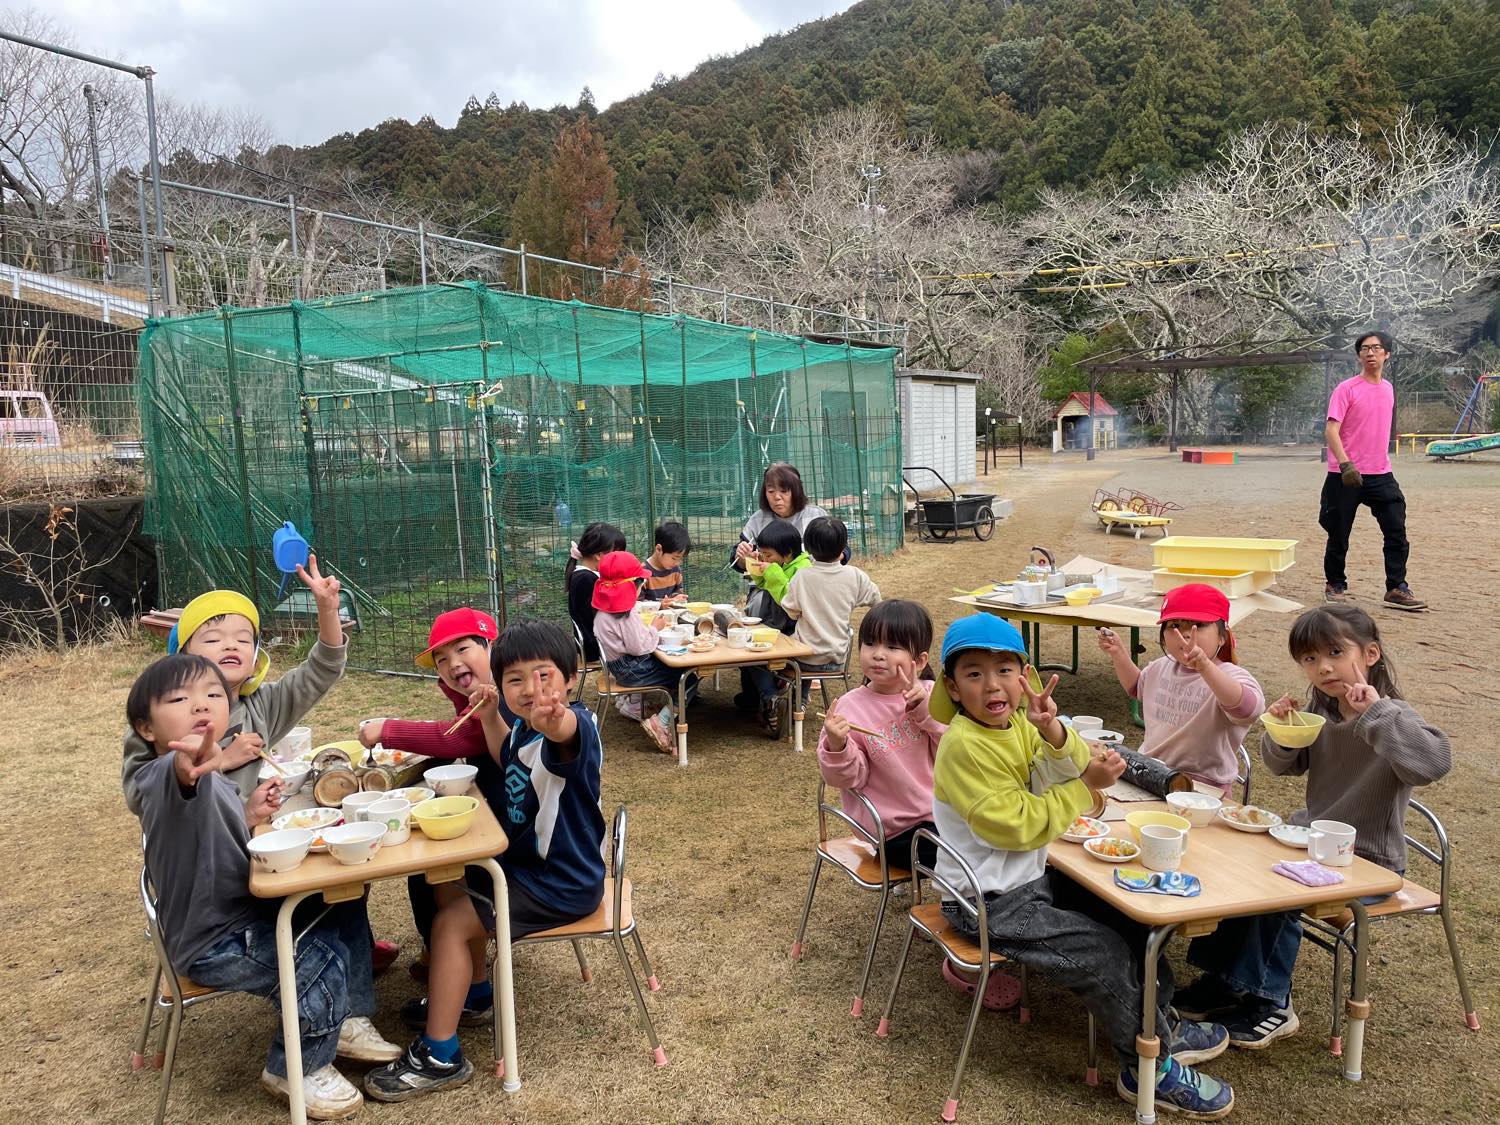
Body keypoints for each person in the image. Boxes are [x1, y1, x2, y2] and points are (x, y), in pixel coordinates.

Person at [928, 615, 1236, 1118]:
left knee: (1136, 921)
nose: (993, 685)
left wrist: (1051, 727)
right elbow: (1016, 825)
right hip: (986, 902)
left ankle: (1161, 1028)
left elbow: (1066, 764)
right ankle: (1148, 1069)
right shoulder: (964, 745)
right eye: (974, 674)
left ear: (1024, 676)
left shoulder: (1016, 724)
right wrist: (1084, 788)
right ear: (953, 688)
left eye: (1005, 670)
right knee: (1104, 954)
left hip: (1027, 882)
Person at [129, 654, 401, 1120]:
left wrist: (250, 812)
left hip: (240, 913)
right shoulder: (163, 775)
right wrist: (187, 762)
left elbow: (211, 827)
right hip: (214, 939)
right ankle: (293, 1068)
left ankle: (346, 1018)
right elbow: (181, 778)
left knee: (340, 902)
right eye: (179, 699)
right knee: (320, 960)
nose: (201, 705)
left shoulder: (213, 777)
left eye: (212, 695)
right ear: (146, 728)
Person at [1175, 605, 1451, 1050]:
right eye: (1309, 658)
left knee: (1281, 890)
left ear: (1371, 654)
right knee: (1243, 866)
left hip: (1367, 861)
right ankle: (1226, 981)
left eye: (1335, 653)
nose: (1322, 667)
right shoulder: (1321, 712)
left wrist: (1376, 713)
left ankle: (1272, 1003)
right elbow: (1283, 766)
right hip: (1310, 844)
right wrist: (1281, 730)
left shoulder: (1394, 716)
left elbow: (1433, 763)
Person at [366, 622, 605, 1103]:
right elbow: (505, 755)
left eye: (543, 675)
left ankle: (440, 1056)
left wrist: (553, 719)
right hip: (528, 867)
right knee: (447, 882)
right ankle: (474, 993)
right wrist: (494, 714)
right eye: (515, 679)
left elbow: (562, 732)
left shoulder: (573, 726)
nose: (531, 689)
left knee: (452, 924)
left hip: (561, 881)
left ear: (570, 677)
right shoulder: (521, 727)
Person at [357, 608, 515, 981]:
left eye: (462, 649)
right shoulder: (482, 691)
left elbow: (461, 736)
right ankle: (444, 956)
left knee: (431, 869)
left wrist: (387, 729)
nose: (452, 663)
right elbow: (462, 723)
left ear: (490, 646)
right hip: (495, 814)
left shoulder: (506, 694)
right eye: (441, 660)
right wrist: (456, 687)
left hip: (514, 835)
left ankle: (449, 961)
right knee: (425, 868)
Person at [122, 558, 348, 815]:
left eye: (243, 640)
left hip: (243, 835)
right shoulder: (160, 715)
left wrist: (328, 612)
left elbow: (321, 670)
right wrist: (223, 760)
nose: (231, 645)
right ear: (182, 657)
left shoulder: (262, 707)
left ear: (255, 661)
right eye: (213, 639)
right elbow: (139, 797)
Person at [1097, 584, 1264, 795]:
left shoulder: (1230, 676)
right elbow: (1138, 688)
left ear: (1222, 636)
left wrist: (1205, 666)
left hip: (1203, 787)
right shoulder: (1161, 667)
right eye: (1174, 625)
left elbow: (1248, 710)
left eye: (1198, 625)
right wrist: (1118, 653)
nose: (1184, 634)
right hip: (1151, 773)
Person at [817, 600, 943, 868]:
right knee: (966, 857)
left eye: (892, 647)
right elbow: (847, 778)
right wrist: (837, 746)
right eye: (870, 643)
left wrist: (925, 711)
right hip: (895, 833)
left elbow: (957, 749)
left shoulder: (932, 695)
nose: (878, 654)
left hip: (947, 815)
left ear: (919, 661)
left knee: (998, 839)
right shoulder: (849, 709)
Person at [1321, 331, 1425, 612]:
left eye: (1376, 348)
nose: (1370, 353)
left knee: (1396, 530)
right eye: (1364, 349)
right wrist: (1345, 464)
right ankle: (1335, 584)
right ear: (1359, 355)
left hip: (1380, 473)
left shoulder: (1388, 389)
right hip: (1345, 473)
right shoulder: (1346, 389)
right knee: (1338, 532)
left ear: (1386, 354)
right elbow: (1331, 430)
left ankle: (1396, 587)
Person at [591, 550, 698, 754]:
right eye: (641, 584)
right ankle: (662, 722)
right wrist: (654, 629)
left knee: (671, 667)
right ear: (632, 586)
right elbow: (639, 647)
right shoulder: (625, 615)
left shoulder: (605, 611)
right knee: (688, 677)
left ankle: (664, 708)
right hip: (632, 670)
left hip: (620, 668)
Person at [783, 516, 881, 698]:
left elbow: (791, 612)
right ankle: (800, 700)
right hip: (838, 658)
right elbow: (877, 601)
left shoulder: (802, 576)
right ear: (843, 547)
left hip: (803, 659)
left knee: (772, 656)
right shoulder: (855, 575)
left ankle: (785, 698)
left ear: (808, 548)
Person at [741, 518, 813, 735]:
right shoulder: (782, 564)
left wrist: (771, 570)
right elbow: (766, 585)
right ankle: (772, 698)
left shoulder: (803, 569)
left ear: (788, 553)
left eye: (768, 555)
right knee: (749, 655)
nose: (765, 558)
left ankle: (783, 699)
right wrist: (758, 568)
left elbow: (787, 600)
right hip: (776, 626)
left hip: (792, 631)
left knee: (756, 658)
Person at [731, 462, 831, 572]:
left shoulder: (816, 516)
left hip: (810, 580)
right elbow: (739, 564)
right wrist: (743, 558)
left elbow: (840, 552)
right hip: (769, 582)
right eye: (771, 491)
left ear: (797, 491)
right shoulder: (757, 520)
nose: (777, 497)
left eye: (784, 491)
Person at [566, 522, 627, 664]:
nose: (619, 559)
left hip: (595, 642)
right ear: (599, 555)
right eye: (616, 554)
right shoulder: (586, 579)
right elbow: (600, 616)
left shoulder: (586, 575)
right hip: (596, 647)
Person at [643, 520, 691, 605]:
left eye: (681, 559)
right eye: (674, 558)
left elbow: (677, 591)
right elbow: (638, 604)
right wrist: (659, 605)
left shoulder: (675, 570)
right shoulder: (642, 572)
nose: (677, 563)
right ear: (659, 549)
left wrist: (677, 597)